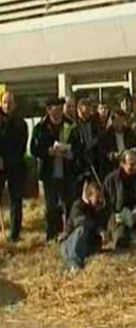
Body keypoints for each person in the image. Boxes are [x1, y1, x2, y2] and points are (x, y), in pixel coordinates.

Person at [31, 96, 80, 241]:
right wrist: (47, 152)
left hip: (68, 170)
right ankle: (52, 234)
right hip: (49, 172)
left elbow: (78, 147)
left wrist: (71, 153)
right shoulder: (40, 127)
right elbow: (33, 149)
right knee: (51, 206)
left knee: (69, 204)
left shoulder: (71, 125)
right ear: (48, 110)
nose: (58, 112)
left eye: (60, 109)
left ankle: (69, 232)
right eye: (55, 109)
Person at [60, 181, 108, 271]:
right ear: (89, 197)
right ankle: (74, 264)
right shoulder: (78, 206)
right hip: (70, 245)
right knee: (82, 229)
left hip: (87, 246)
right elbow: (80, 221)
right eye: (97, 197)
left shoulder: (100, 210)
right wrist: (98, 229)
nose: (100, 200)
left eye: (101, 197)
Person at [0, 92, 28, 243]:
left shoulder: (21, 124)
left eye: (10, 102)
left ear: (15, 104)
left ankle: (14, 235)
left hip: (15, 166)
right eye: (4, 102)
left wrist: (11, 160)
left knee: (16, 201)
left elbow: (22, 146)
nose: (7, 105)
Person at [96, 109, 136, 179]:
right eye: (117, 120)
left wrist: (134, 150)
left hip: (128, 163)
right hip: (113, 166)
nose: (119, 123)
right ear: (113, 121)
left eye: (121, 120)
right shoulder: (105, 135)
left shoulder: (130, 133)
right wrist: (113, 155)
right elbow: (103, 151)